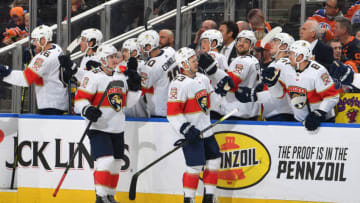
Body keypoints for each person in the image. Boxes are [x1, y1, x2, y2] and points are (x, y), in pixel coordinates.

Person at [74, 44, 141, 203]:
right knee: (106, 161)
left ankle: (110, 195)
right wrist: (87, 109)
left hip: (117, 127)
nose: (114, 60)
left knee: (117, 163)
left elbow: (126, 104)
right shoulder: (92, 76)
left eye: (115, 57)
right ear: (103, 59)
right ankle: (100, 196)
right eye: (110, 57)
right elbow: (80, 99)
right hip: (99, 127)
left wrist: (136, 88)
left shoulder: (120, 76)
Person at [167, 47, 223, 203]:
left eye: (195, 60)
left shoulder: (202, 78)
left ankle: (209, 197)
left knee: (214, 160)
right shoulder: (177, 84)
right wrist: (185, 128)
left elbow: (210, 103)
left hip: (207, 130)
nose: (196, 62)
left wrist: (220, 92)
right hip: (192, 133)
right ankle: (189, 199)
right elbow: (172, 112)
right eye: (193, 61)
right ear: (184, 64)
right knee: (195, 167)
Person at [262, 40, 339, 130]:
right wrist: (272, 84)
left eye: (291, 54)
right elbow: (279, 94)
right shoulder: (285, 67)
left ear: (300, 57)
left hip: (323, 121)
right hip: (299, 121)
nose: (288, 56)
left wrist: (319, 113)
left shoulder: (318, 72)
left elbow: (332, 97)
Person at [0, 25, 68, 115]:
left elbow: (25, 79)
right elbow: (44, 71)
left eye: (35, 40)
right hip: (60, 100)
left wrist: (4, 72)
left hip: (50, 105)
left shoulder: (42, 58)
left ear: (43, 39)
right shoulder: (57, 48)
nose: (33, 43)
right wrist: (33, 59)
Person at [236, 33, 295, 121]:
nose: (270, 44)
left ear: (284, 46)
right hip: (275, 114)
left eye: (275, 41)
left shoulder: (284, 64)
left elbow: (279, 93)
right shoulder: (276, 63)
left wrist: (254, 95)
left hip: (281, 115)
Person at [219, 30, 261, 120]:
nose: (241, 44)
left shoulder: (242, 61)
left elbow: (231, 83)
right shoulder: (254, 60)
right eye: (239, 40)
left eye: (246, 42)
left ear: (252, 46)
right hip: (250, 111)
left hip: (236, 112)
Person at [137, 30, 177, 117]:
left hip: (160, 110)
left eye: (141, 46)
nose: (140, 50)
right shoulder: (170, 51)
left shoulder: (149, 67)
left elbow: (142, 87)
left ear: (148, 47)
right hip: (175, 104)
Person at [199, 29, 234, 119]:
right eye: (202, 42)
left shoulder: (212, 56)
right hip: (217, 103)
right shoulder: (222, 57)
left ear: (214, 43)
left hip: (209, 102)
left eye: (205, 41)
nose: (202, 45)